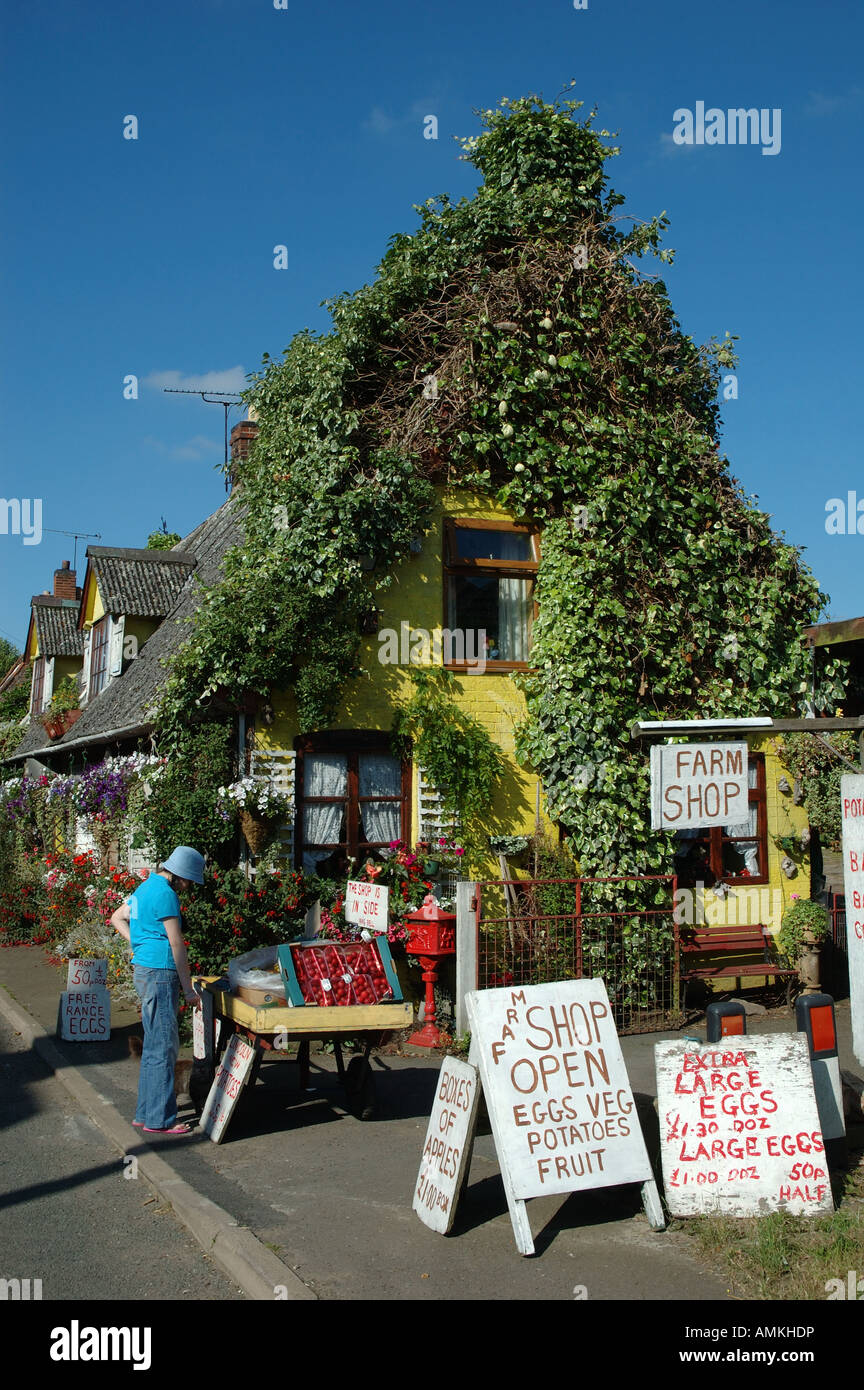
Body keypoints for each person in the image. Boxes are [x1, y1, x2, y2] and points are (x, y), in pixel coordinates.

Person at [111, 846, 205, 1136]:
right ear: (179, 875)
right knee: (164, 1046)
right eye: (189, 880)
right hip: (162, 973)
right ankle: (161, 1120)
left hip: (144, 970)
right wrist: (189, 990)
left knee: (153, 1044)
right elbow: (177, 944)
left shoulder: (144, 887)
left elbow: (117, 917)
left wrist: (138, 942)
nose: (189, 886)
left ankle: (145, 1113)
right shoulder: (166, 895)